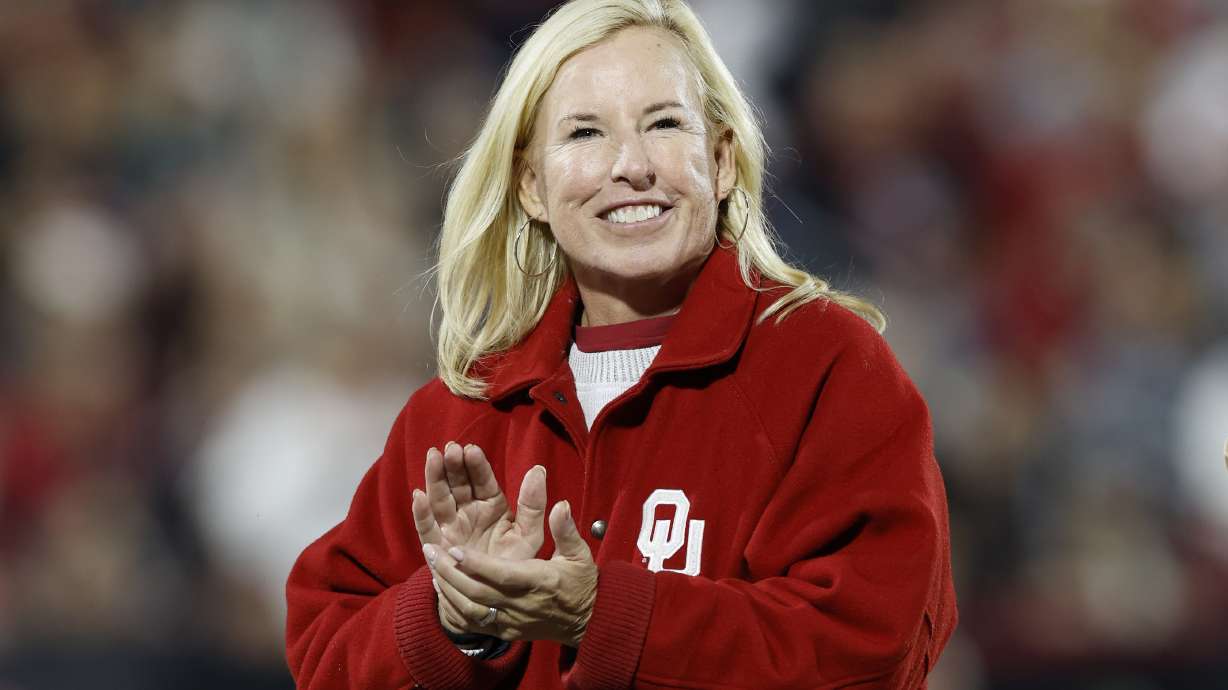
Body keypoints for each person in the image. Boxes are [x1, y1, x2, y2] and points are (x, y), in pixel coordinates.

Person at [285, 0, 957, 688]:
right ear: (531, 187)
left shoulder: (828, 367)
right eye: (585, 134)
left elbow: (871, 651)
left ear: (722, 160)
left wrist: (604, 618)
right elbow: (322, 656)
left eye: (664, 123)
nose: (631, 166)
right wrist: (457, 615)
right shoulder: (458, 415)